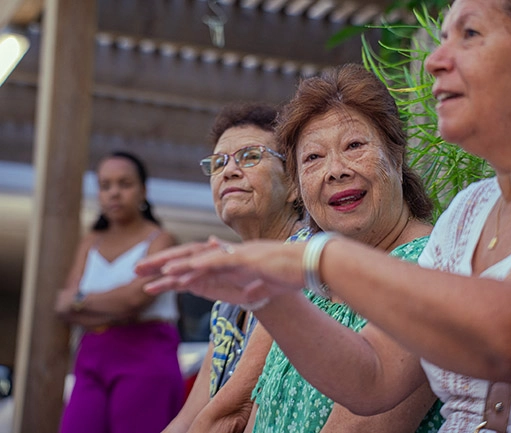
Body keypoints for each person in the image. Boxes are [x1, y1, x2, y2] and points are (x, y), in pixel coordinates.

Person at [138, 0, 511, 431]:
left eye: (469, 34)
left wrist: (318, 259)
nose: (434, 61)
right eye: (313, 158)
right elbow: (375, 377)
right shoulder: (471, 210)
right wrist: (264, 293)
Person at [142, 65, 444, 433]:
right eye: (313, 158)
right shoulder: (303, 272)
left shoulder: (435, 264)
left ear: (396, 158)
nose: (336, 170)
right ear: (298, 186)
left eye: (354, 146)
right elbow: (237, 411)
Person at [161, 102, 307, 433]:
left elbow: (232, 413)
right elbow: (194, 413)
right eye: (217, 163)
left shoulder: (307, 260)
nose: (228, 171)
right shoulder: (227, 298)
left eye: (250, 156)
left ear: (295, 183)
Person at [55, 151, 184, 433]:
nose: (114, 193)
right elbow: (64, 306)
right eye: (105, 185)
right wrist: (113, 305)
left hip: (145, 354)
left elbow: (136, 298)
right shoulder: (90, 241)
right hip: (92, 356)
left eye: (124, 184)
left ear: (143, 190)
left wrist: (82, 301)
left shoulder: (162, 240)